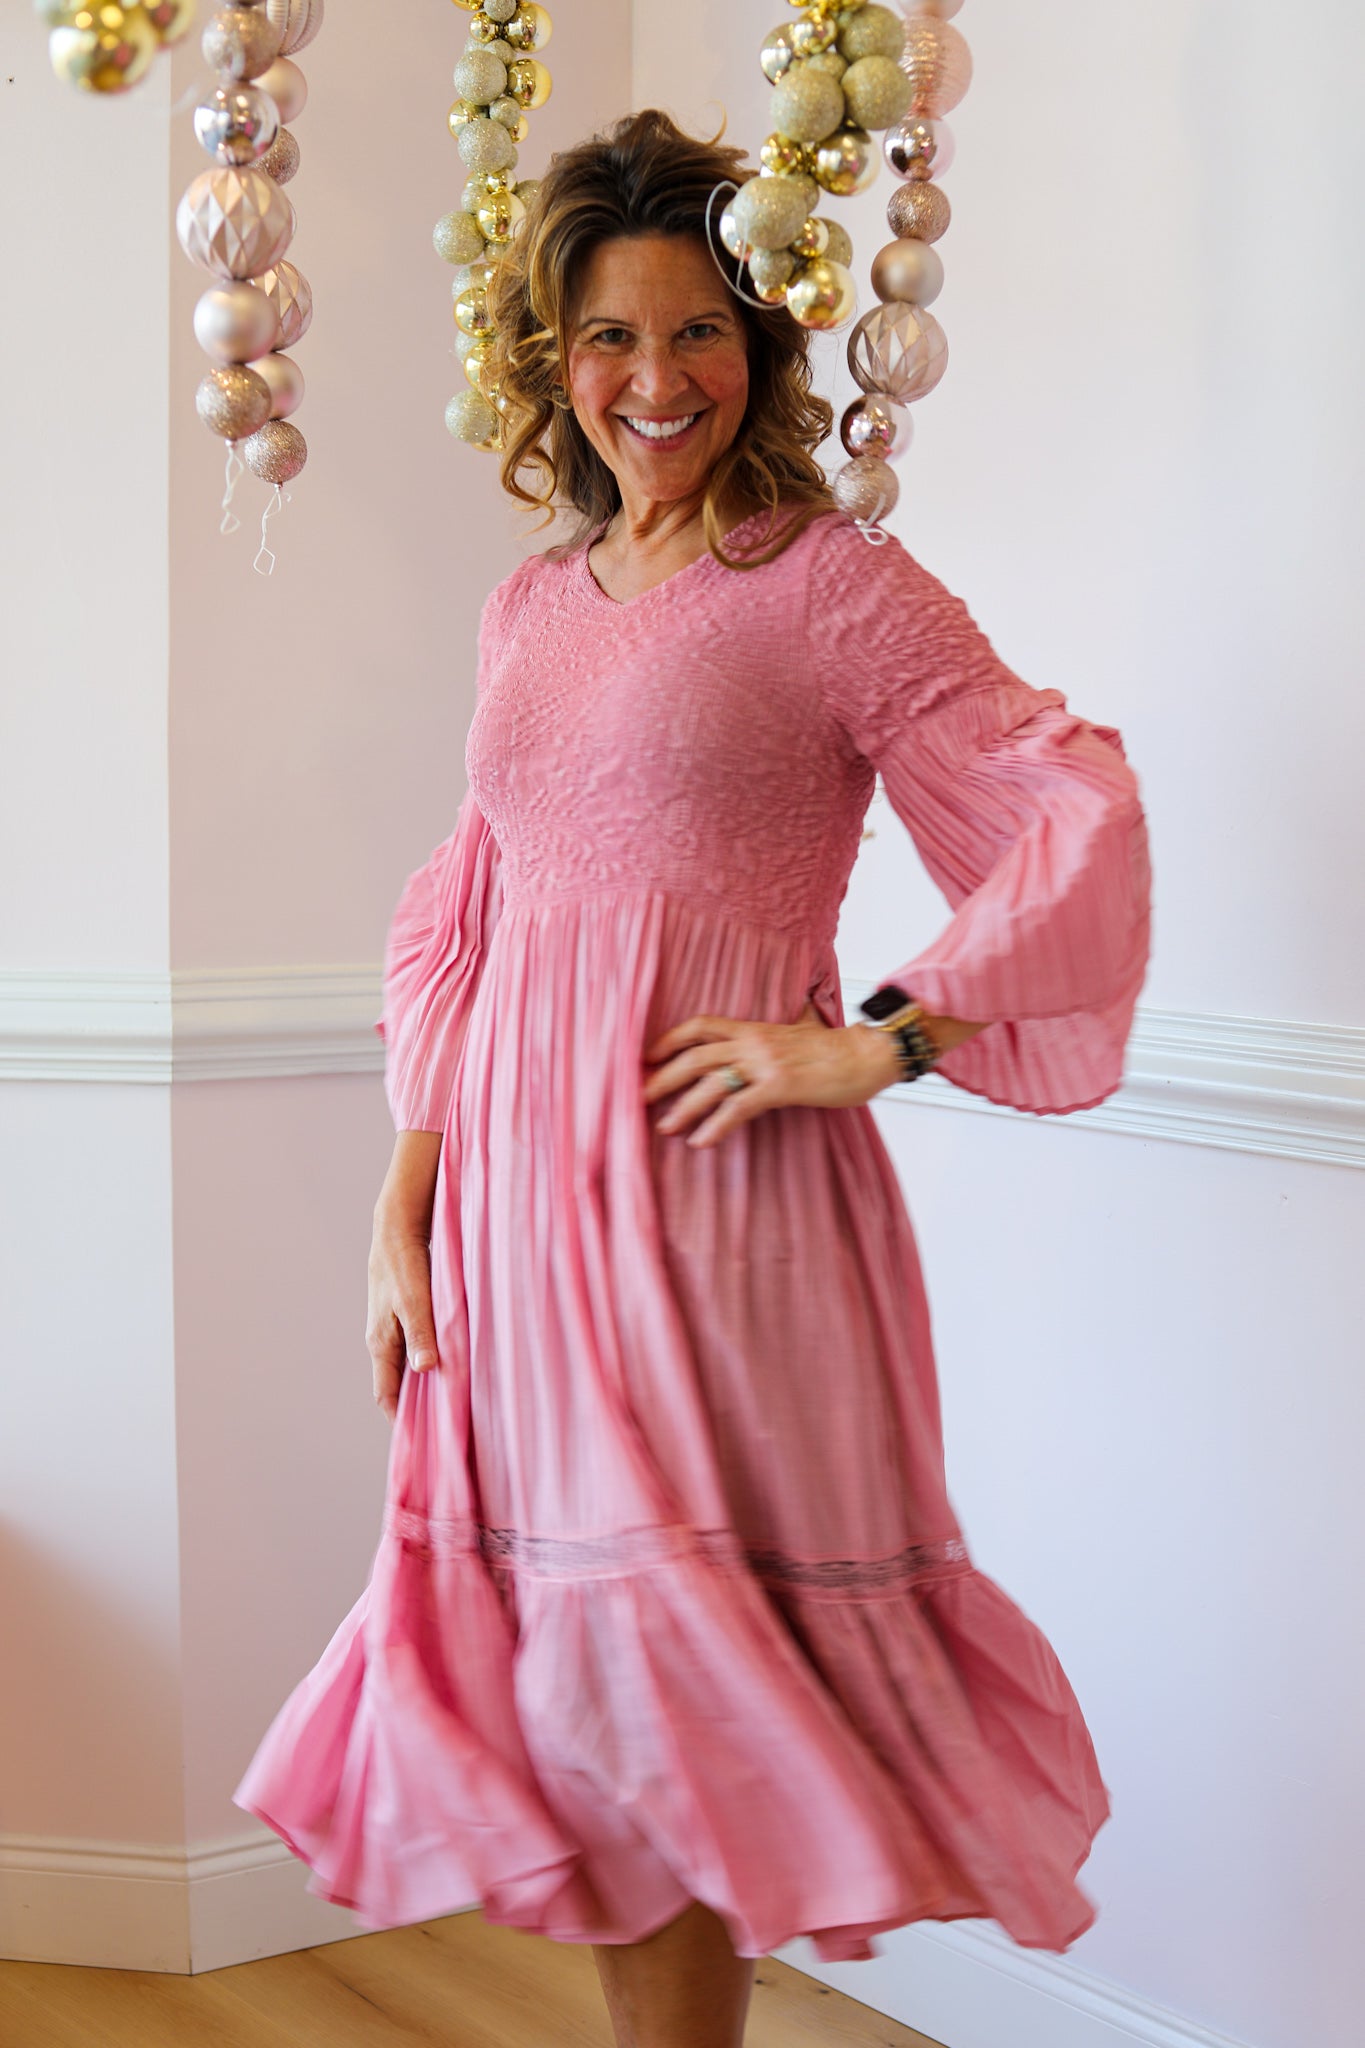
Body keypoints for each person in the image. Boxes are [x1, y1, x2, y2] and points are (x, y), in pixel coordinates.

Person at [236, 108, 1152, 2048]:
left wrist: (878, 1036)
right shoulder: (528, 604)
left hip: (711, 1215)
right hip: (509, 1220)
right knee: (582, 1718)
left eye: (696, 332)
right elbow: (469, 902)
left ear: (762, 342)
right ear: (550, 362)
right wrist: (403, 1203)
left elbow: (1064, 802)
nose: (654, 381)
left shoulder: (827, 583)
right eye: (609, 337)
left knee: (667, 1718)